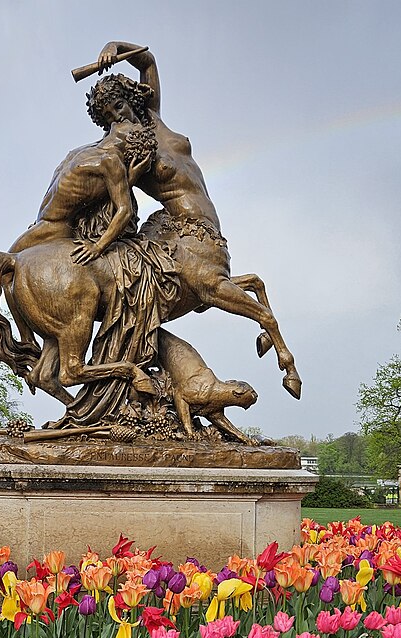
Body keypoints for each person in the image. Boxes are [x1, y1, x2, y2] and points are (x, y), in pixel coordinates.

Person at [86, 42, 301, 397]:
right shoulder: (126, 148)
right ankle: (284, 356)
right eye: (110, 117)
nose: (119, 118)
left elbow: (148, 60)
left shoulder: (153, 116)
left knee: (245, 283)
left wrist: (116, 46)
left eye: (120, 106)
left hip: (208, 230)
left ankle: (266, 326)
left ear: (131, 98)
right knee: (215, 287)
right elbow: (114, 193)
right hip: (184, 233)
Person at [10, 119, 156, 263]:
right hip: (40, 223)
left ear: (132, 136)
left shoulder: (111, 161)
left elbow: (125, 210)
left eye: (134, 125)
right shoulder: (88, 149)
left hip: (55, 227)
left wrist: (97, 247)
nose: (129, 120)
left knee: (6, 263)